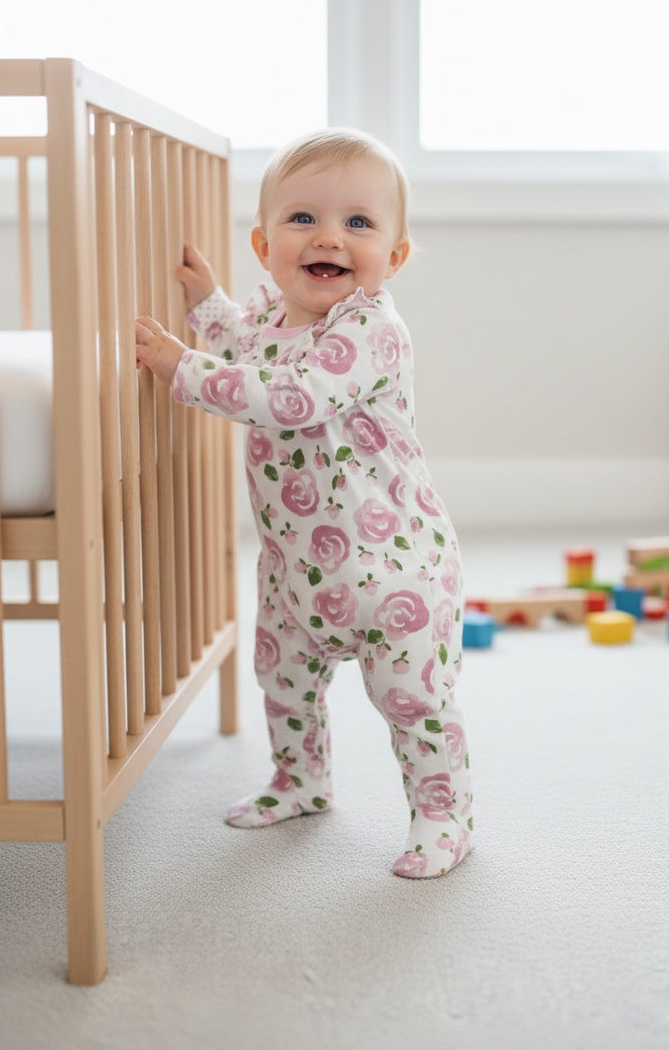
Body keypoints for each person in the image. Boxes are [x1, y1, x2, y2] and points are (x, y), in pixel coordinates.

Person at [135, 128, 472, 878]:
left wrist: (182, 369)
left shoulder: (370, 330)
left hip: (396, 573)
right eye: (303, 220)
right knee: (283, 681)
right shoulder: (270, 317)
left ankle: (444, 814)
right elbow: (246, 346)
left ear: (395, 255)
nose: (330, 237)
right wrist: (206, 304)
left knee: (412, 704)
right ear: (264, 244)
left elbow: (290, 396)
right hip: (299, 574)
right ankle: (301, 780)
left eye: (358, 222)